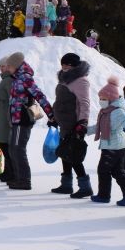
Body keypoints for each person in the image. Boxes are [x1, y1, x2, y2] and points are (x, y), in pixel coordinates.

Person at [7, 52, 54, 190]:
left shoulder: (25, 78)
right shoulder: (17, 78)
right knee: (13, 148)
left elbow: (39, 95)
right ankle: (18, 177)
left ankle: (24, 180)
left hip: (22, 119)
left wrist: (50, 113)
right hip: (17, 119)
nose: (7, 69)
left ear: (15, 66)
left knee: (17, 149)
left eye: (9, 66)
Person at [50, 53, 93, 198]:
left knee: (73, 154)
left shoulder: (81, 80)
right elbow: (60, 101)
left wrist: (82, 123)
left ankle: (85, 186)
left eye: (68, 64)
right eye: (63, 64)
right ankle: (66, 184)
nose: (65, 67)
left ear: (74, 65)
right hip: (64, 122)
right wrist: (55, 117)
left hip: (74, 123)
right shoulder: (64, 79)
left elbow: (85, 103)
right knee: (64, 153)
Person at [89, 78, 125, 205]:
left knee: (103, 170)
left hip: (114, 146)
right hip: (115, 144)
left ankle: (104, 196)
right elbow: (99, 126)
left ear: (111, 99)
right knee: (117, 171)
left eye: (104, 99)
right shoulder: (107, 111)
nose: (101, 101)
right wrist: (85, 130)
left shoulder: (117, 111)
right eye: (100, 98)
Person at [0, 58, 14, 183]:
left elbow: (12, 100)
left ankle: (11, 172)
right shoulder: (5, 80)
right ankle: (7, 171)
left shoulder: (9, 81)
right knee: (3, 144)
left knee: (6, 145)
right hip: (2, 116)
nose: (1, 68)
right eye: (0, 66)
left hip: (6, 118)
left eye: (4, 66)